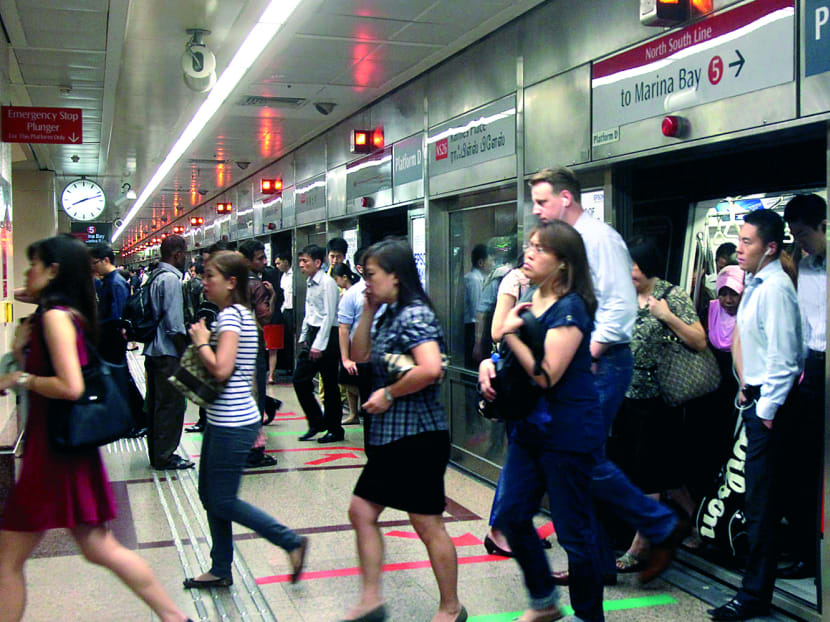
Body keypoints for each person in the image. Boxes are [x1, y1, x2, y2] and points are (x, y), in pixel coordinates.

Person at [491, 167, 680, 586]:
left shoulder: (598, 239)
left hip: (601, 362)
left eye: (542, 202)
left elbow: (619, 307)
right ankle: (598, 560)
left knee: (582, 459)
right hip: (574, 364)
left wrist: (586, 354)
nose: (536, 211)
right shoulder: (558, 250)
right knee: (575, 462)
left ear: (565, 199)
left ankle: (653, 527)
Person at [0, 235, 193, 622]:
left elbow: (70, 386)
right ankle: (174, 616)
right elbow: (23, 294)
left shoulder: (55, 318)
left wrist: (21, 378)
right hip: (64, 448)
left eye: (33, 264)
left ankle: (174, 615)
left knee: (8, 560)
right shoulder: (64, 312)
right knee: (97, 545)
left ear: (53, 271)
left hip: (53, 451)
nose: (26, 273)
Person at [480, 222, 606, 622]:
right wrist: (490, 362)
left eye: (540, 249)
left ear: (563, 263)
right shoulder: (533, 298)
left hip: (566, 431)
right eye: (529, 246)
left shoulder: (571, 308)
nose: (529, 254)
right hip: (530, 427)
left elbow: (547, 374)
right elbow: (512, 354)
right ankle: (545, 601)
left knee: (574, 533)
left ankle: (589, 615)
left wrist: (510, 336)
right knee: (511, 515)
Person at [345, 239, 465, 622]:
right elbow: (361, 354)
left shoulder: (415, 314)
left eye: (371, 275)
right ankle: (370, 600)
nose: (366, 282)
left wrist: (389, 393)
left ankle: (451, 607)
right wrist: (368, 311)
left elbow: (430, 368)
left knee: (426, 522)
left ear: (395, 276)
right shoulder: (388, 313)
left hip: (417, 435)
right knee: (362, 511)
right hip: (392, 435)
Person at [184, 251, 308, 590]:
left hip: (232, 421)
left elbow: (221, 369)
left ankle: (290, 541)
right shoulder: (239, 314)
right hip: (226, 418)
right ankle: (220, 567)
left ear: (231, 282)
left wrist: (201, 343)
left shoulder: (230, 318)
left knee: (222, 498)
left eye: (210, 276)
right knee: (210, 495)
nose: (204, 282)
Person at [708, 209, 803, 621]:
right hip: (758, 399)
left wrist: (765, 410)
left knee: (762, 503)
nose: (740, 249)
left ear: (771, 248)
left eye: (748, 242)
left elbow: (787, 358)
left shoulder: (775, 289)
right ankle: (753, 589)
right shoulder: (757, 282)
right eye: (740, 240)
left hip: (771, 407)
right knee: (758, 498)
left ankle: (753, 596)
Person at [610, 236, 707, 571]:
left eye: (633, 266)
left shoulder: (671, 296)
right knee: (665, 474)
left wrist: (667, 316)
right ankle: (696, 522)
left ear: (647, 265)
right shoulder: (623, 295)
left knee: (647, 474)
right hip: (625, 396)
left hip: (658, 400)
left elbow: (699, 340)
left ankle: (640, 547)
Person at [779, 194, 826, 580]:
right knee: (804, 465)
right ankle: (807, 552)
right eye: (794, 235)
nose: (800, 242)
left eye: (804, 234)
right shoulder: (805, 267)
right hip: (810, 366)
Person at [144, 235, 193, 470]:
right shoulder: (171, 280)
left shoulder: (154, 276)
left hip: (153, 350)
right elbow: (174, 326)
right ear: (177, 254)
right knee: (171, 406)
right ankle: (165, 456)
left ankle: (157, 453)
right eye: (185, 253)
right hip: (168, 354)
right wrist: (186, 355)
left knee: (156, 405)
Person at [293, 244, 343, 443]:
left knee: (329, 384)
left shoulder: (327, 283)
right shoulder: (310, 281)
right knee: (300, 379)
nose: (301, 265)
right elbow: (310, 311)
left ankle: (335, 429)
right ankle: (316, 421)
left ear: (317, 262)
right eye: (300, 261)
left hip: (328, 336)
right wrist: (304, 336)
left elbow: (329, 316)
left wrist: (319, 345)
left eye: (304, 261)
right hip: (314, 334)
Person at [237, 239, 279, 468]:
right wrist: (272, 297)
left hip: (233, 346)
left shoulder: (232, 282)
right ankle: (253, 452)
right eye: (259, 258)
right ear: (247, 260)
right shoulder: (256, 285)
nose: (264, 262)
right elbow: (265, 318)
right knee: (255, 398)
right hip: (252, 346)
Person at [333, 260, 364, 425]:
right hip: (352, 343)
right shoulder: (350, 294)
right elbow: (343, 327)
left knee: (356, 382)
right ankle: (353, 413)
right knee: (348, 380)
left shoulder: (353, 293)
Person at [463, 244, 489, 368]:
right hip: (472, 327)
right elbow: (477, 310)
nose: (493, 263)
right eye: (491, 260)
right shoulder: (474, 279)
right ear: (481, 262)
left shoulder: (477, 278)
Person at [276, 250, 295, 375]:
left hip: (293, 310)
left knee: (293, 338)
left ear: (286, 262)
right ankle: (288, 366)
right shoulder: (283, 276)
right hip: (286, 310)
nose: (277, 266)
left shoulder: (294, 275)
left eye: (279, 263)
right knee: (287, 339)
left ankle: (293, 366)